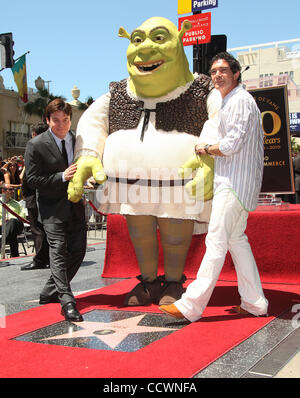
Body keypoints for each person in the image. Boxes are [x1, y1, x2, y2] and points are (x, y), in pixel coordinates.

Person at [68, 17, 218, 307]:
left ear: (179, 41)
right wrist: (87, 155)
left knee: (175, 232)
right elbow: (92, 123)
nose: (145, 48)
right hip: (130, 184)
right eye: (137, 40)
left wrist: (210, 156)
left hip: (179, 184)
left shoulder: (201, 90)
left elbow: (219, 122)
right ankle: (148, 281)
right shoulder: (118, 93)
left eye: (159, 38)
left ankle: (174, 280)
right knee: (140, 232)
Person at [160, 52, 269, 321]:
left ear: (236, 74)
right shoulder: (231, 101)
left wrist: (205, 148)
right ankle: (255, 303)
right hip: (235, 183)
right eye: (213, 72)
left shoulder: (239, 101)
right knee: (236, 241)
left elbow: (232, 145)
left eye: (222, 70)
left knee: (216, 241)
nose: (217, 75)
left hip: (233, 184)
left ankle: (191, 305)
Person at [24, 98, 87, 322]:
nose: (61, 125)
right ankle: (67, 300)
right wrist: (62, 176)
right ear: (48, 120)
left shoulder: (77, 140)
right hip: (51, 208)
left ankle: (50, 291)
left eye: (66, 120)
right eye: (56, 120)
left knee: (79, 250)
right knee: (58, 251)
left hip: (76, 206)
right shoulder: (36, 144)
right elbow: (32, 179)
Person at [21, 123, 50, 271]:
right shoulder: (49, 148)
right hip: (42, 194)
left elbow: (28, 175)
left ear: (34, 134)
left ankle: (40, 259)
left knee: (37, 228)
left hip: (35, 194)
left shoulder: (35, 148)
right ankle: (48, 258)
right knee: (44, 228)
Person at [0, 187, 27, 257]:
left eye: (13, 189)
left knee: (12, 222)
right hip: (1, 227)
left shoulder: (17, 204)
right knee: (12, 234)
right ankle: (15, 255)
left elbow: (22, 218)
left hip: (16, 225)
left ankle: (3, 241)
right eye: (10, 189)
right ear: (3, 191)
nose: (13, 191)